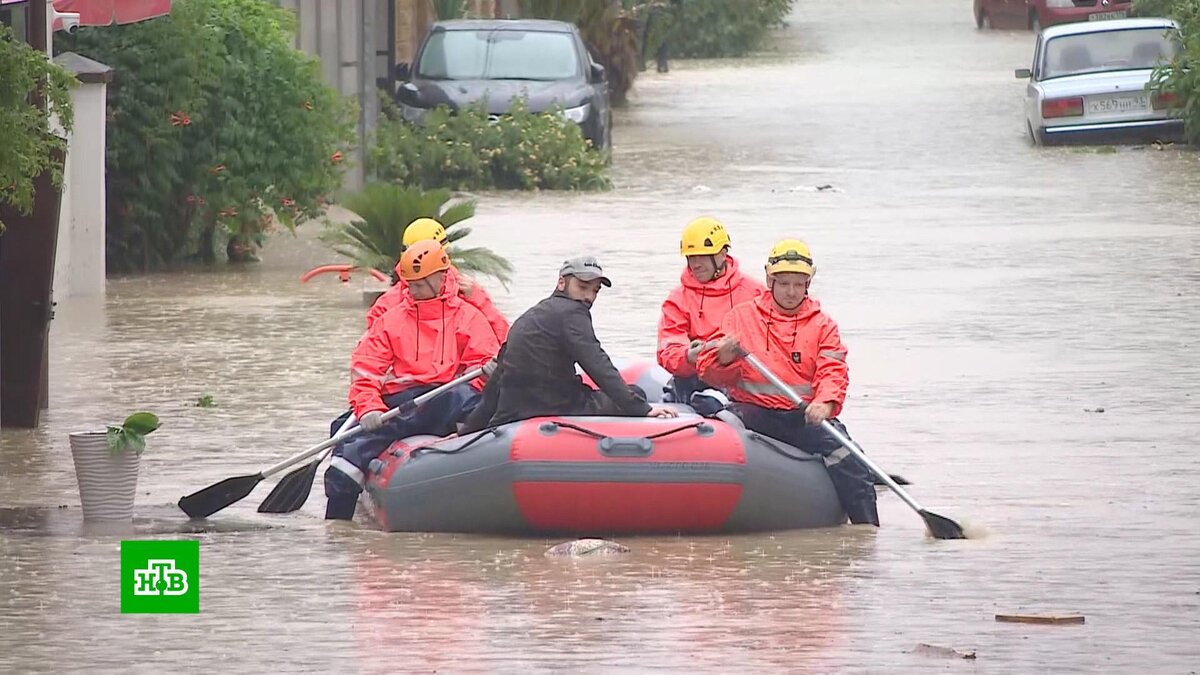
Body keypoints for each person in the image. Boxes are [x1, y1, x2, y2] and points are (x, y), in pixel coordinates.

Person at [695, 239, 879, 526]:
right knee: (717, 420)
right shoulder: (741, 317)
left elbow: (833, 371)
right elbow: (709, 371)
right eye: (784, 284)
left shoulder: (823, 325)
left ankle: (868, 533)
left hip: (800, 415)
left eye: (798, 284)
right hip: (752, 411)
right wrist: (724, 358)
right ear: (770, 280)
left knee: (848, 458)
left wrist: (825, 403)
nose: (791, 292)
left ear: (808, 283)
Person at [324, 240, 500, 520]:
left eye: (419, 284)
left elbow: (483, 360)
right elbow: (366, 370)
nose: (411, 290)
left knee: (474, 403)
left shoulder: (468, 317)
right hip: (401, 406)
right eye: (409, 283)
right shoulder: (390, 320)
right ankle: (337, 528)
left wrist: (487, 374)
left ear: (441, 277)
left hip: (448, 400)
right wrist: (369, 408)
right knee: (346, 460)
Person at [462, 255, 677, 432]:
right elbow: (597, 363)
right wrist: (641, 409)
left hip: (513, 411)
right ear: (561, 282)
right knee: (636, 391)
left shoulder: (530, 316)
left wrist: (469, 430)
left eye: (595, 290)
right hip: (556, 406)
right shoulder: (572, 313)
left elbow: (498, 380)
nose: (588, 297)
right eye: (583, 286)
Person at [657, 216, 765, 407]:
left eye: (702, 256)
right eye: (691, 257)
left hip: (741, 383)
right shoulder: (678, 299)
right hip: (693, 380)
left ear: (722, 254)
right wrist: (689, 356)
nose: (695, 264)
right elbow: (669, 348)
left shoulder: (755, 293)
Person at [366, 217, 510, 343]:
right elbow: (371, 355)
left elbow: (503, 343)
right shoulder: (387, 306)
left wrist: (480, 301)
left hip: (463, 374)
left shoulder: (467, 293)